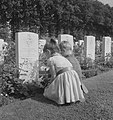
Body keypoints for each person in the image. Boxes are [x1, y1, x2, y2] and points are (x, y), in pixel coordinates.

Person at [43, 39, 85, 105]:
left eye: (45, 54)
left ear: (48, 52)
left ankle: (63, 97)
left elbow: (53, 76)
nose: (45, 56)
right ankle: (72, 96)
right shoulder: (62, 57)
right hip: (73, 75)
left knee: (49, 91)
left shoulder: (51, 60)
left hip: (64, 75)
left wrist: (49, 84)